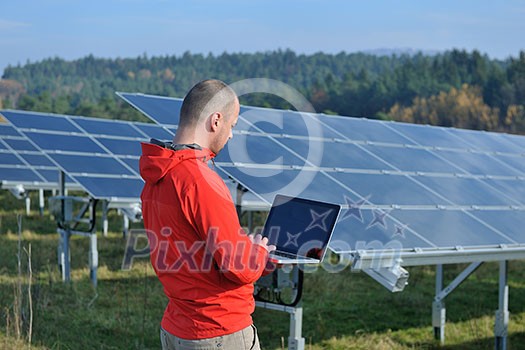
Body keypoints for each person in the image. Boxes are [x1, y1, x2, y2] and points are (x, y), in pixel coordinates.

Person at [139, 79, 276, 350]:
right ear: (216, 121)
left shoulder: (158, 176)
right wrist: (258, 252)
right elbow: (239, 266)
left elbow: (192, 249)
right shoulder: (200, 181)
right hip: (218, 331)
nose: (231, 134)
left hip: (178, 328)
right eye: (232, 125)